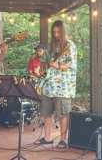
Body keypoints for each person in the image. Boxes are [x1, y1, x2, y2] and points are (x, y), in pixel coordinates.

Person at [34, 20, 77, 149]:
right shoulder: (51, 45)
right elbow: (45, 61)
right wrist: (43, 69)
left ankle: (63, 140)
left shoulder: (70, 45)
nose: (56, 35)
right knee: (46, 112)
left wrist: (58, 66)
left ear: (63, 32)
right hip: (48, 85)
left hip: (62, 86)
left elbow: (72, 65)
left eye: (58, 32)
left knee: (62, 113)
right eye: (54, 32)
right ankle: (47, 138)